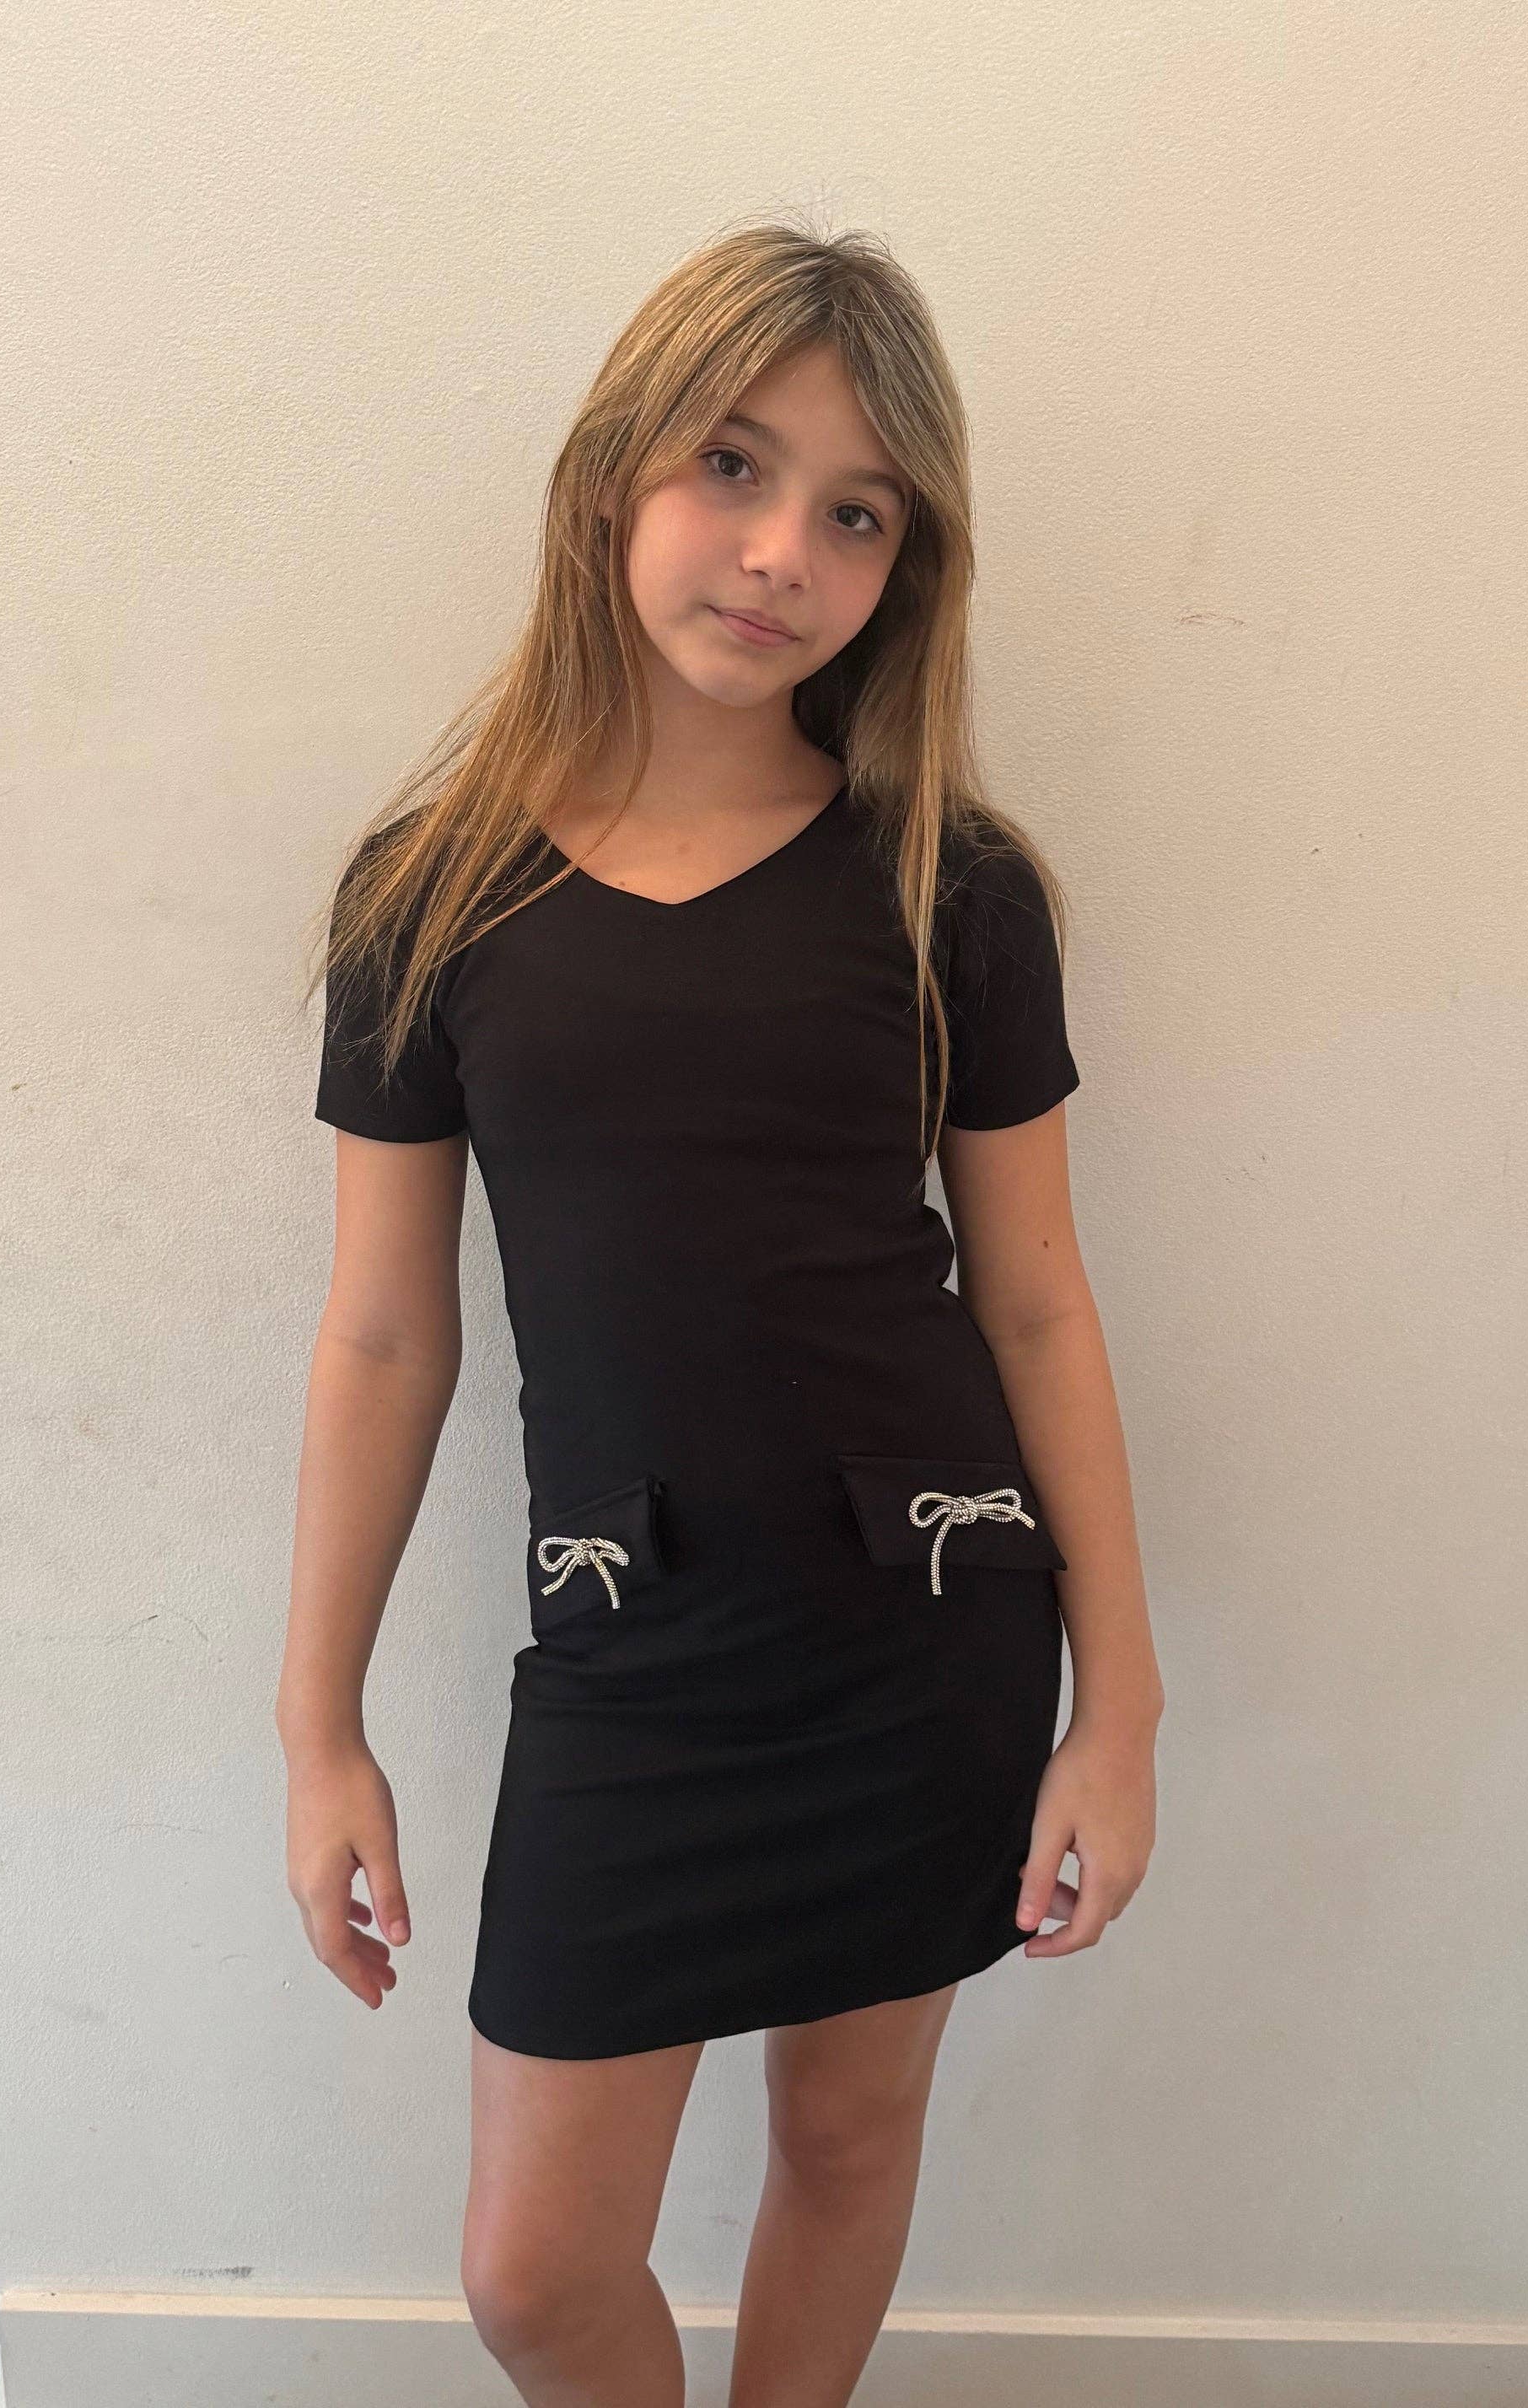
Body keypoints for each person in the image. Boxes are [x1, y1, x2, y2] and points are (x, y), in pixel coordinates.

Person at [277, 214, 1163, 2407]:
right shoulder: (431, 901)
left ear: (907, 567)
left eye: (858, 512)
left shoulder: (953, 885)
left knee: (846, 2143)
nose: (782, 553)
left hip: (923, 1640)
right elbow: (384, 1341)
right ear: (613, 479)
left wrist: (1123, 1707)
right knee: (534, 2271)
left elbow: (1038, 1303)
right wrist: (319, 1729)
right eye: (735, 466)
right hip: (632, 1658)